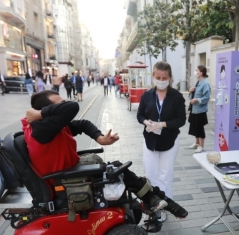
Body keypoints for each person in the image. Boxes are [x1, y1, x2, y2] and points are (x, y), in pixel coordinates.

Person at [23, 90, 188, 220]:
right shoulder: (41, 129)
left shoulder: (50, 125)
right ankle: (156, 199)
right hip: (63, 181)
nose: (63, 105)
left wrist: (100, 138)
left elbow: (82, 124)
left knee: (118, 169)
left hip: (69, 172)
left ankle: (154, 199)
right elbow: (72, 107)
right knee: (118, 168)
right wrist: (40, 114)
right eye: (59, 104)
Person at [137, 61, 188, 220]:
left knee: (166, 176)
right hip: (150, 140)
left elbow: (181, 120)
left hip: (169, 140)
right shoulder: (146, 95)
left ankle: (165, 208)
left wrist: (162, 124)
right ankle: (152, 208)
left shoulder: (176, 96)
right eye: (158, 77)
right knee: (150, 175)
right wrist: (147, 122)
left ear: (170, 78)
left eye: (164, 77)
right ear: (153, 76)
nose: (161, 80)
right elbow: (140, 115)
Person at [187, 65, 211, 153]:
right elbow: (192, 95)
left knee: (199, 127)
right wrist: (190, 91)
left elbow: (207, 97)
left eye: (196, 70)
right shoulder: (197, 82)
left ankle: (201, 146)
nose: (195, 72)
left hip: (200, 110)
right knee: (194, 126)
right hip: (194, 109)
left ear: (201, 73)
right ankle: (196, 143)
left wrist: (197, 100)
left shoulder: (205, 83)